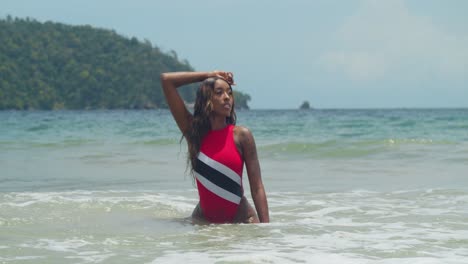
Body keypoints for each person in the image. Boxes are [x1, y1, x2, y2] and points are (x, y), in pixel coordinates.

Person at [160, 71, 269, 224]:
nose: (227, 97)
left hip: (242, 222)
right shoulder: (193, 133)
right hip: (203, 223)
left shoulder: (242, 136)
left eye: (229, 93)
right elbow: (167, 80)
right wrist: (209, 75)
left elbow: (257, 187)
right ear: (206, 100)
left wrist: (267, 231)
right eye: (219, 92)